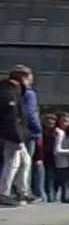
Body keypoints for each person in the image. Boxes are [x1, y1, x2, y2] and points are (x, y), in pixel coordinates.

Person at [0, 66, 33, 205]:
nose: (30, 82)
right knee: (12, 162)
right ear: (22, 77)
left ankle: (23, 192)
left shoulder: (15, 91)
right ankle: (3, 193)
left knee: (25, 161)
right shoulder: (9, 91)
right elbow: (10, 117)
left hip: (14, 133)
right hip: (10, 134)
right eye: (29, 78)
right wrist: (16, 138)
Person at [19, 66, 40, 201]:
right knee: (25, 163)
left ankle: (16, 190)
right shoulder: (29, 94)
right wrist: (37, 129)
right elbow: (30, 113)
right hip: (27, 133)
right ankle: (24, 192)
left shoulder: (11, 92)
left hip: (11, 131)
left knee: (13, 162)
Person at [52, 112, 69, 203]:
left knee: (64, 186)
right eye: (62, 121)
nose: (64, 123)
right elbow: (56, 151)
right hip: (60, 164)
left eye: (66, 121)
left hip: (65, 163)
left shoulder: (65, 132)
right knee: (62, 186)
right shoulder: (60, 132)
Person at [38, 113, 56, 201]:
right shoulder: (41, 133)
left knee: (50, 183)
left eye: (52, 123)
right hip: (42, 159)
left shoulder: (56, 134)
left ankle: (51, 200)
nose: (50, 125)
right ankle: (45, 199)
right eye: (48, 123)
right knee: (41, 182)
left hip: (52, 161)